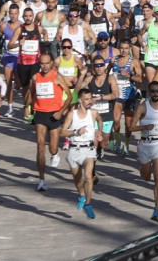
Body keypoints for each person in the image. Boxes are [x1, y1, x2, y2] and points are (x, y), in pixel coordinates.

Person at [26, 52, 70, 191]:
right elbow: (31, 94)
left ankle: (55, 154)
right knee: (40, 145)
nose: (44, 66)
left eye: (47, 63)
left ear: (51, 63)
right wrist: (27, 107)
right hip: (40, 114)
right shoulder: (35, 78)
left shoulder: (57, 77)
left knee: (52, 148)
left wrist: (61, 111)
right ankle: (42, 180)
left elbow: (69, 96)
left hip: (54, 115)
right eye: (42, 63)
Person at [128, 81, 158, 222]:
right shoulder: (143, 107)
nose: (155, 93)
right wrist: (145, 127)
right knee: (146, 177)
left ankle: (156, 211)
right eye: (153, 91)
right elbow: (131, 127)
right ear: (149, 91)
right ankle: (143, 169)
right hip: (145, 144)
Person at [59, 89, 101, 219]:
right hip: (74, 149)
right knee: (78, 180)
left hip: (89, 149)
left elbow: (100, 120)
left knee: (88, 176)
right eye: (87, 99)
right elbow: (62, 132)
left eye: (91, 98)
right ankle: (82, 195)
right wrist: (76, 132)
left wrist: (98, 132)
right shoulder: (72, 115)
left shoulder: (93, 113)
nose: (90, 101)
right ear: (80, 101)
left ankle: (88, 204)